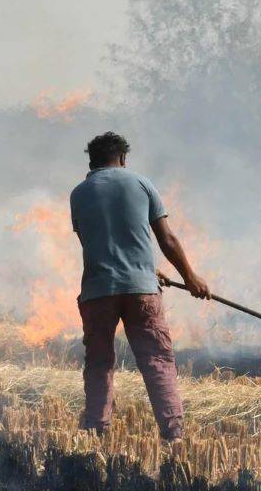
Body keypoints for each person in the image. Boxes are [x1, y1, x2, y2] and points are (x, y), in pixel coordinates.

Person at [70, 131, 210, 444]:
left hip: (98, 291)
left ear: (92, 161)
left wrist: (148, 268)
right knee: (157, 361)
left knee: (99, 363)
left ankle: (95, 431)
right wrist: (190, 277)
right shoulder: (141, 183)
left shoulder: (78, 194)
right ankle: (173, 435)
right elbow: (167, 239)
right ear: (122, 158)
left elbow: (96, 242)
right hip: (141, 290)